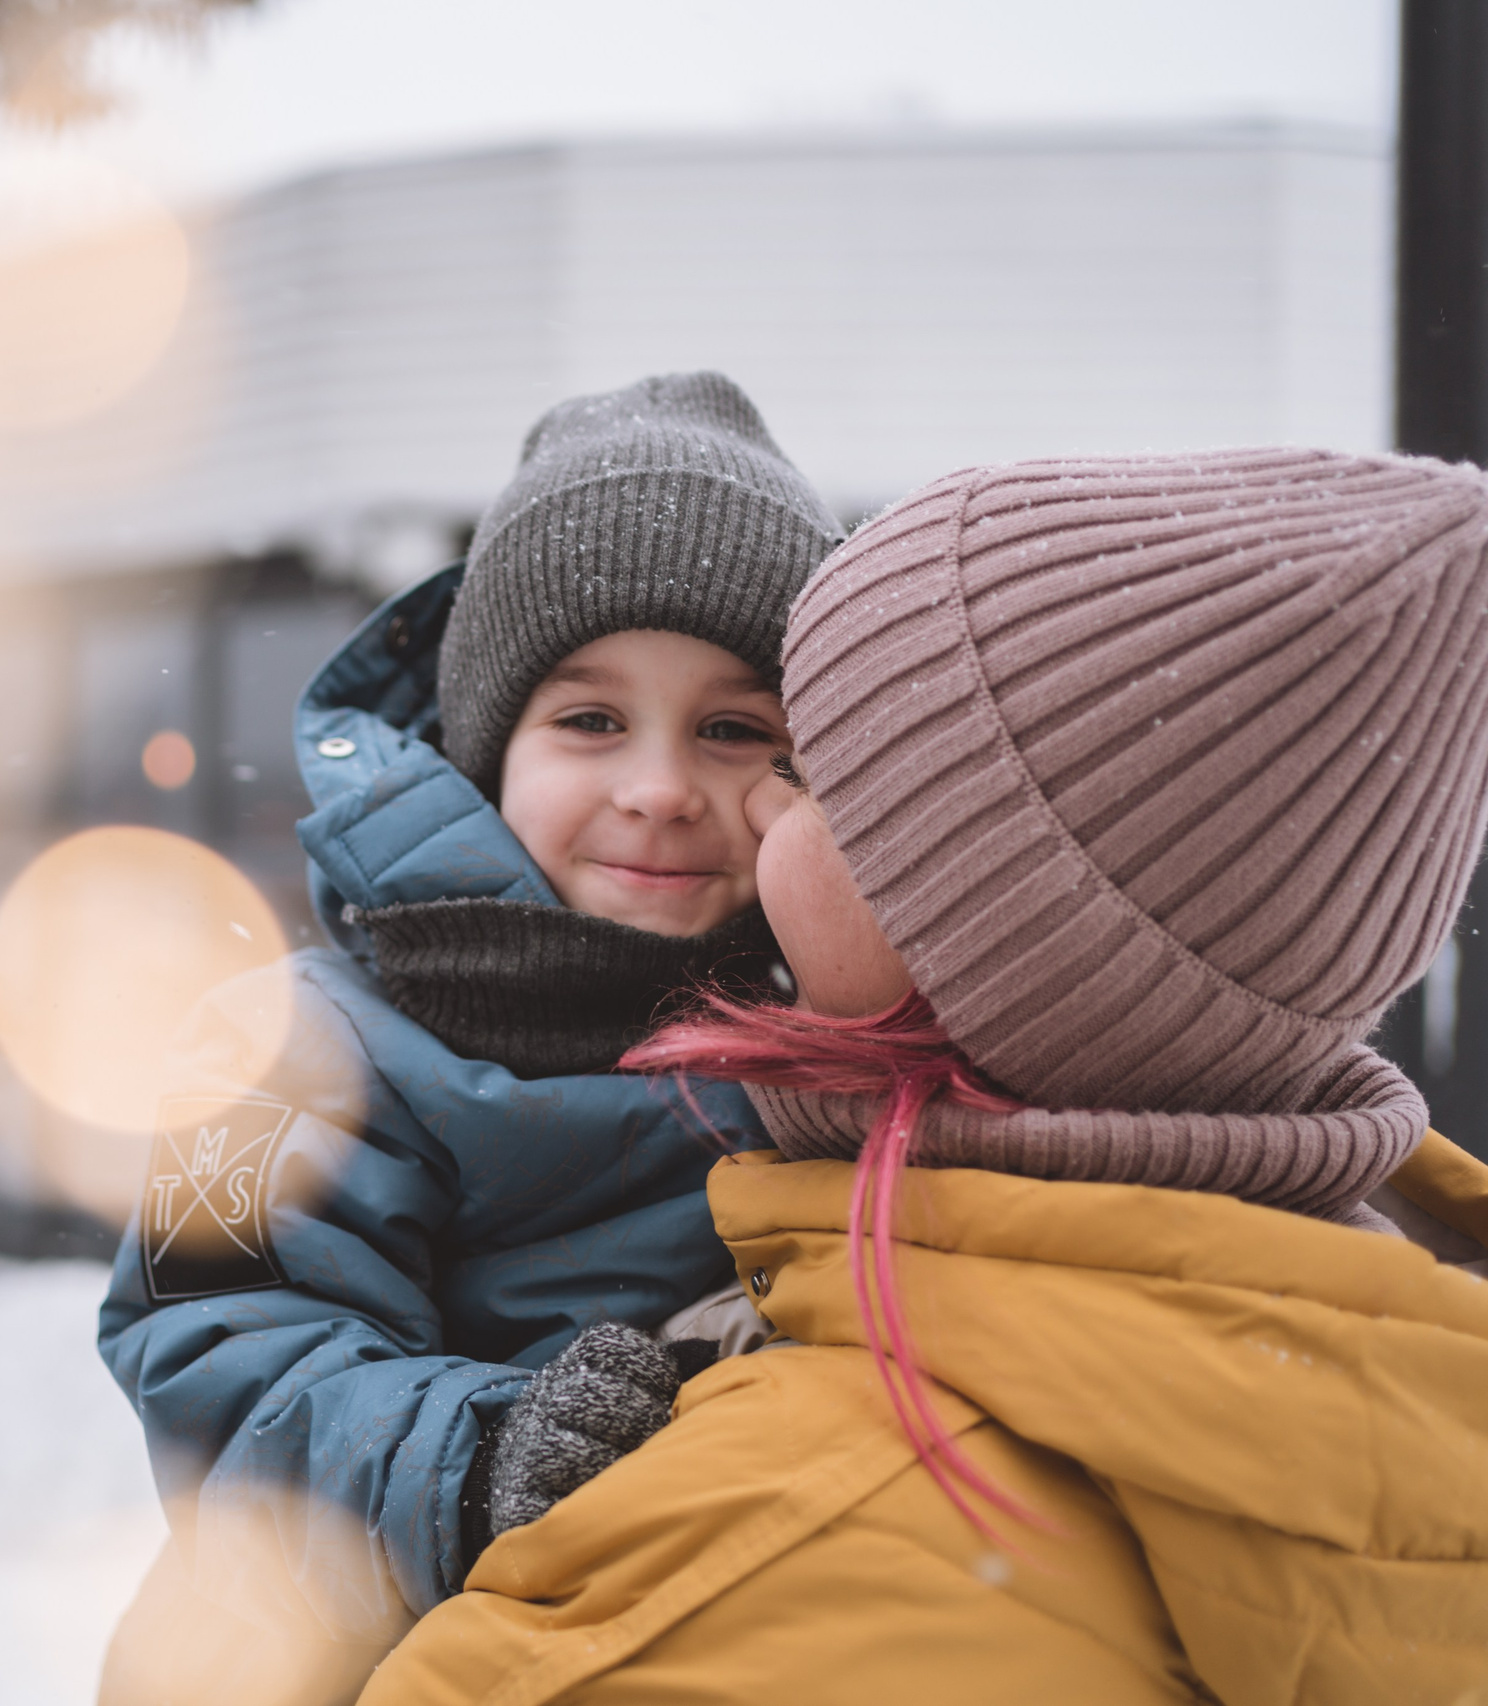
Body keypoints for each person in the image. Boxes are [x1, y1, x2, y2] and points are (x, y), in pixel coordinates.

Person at [360, 447, 1488, 1706]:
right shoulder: (1391, 1335)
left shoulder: (741, 1574)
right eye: (590, 720)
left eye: (811, 771)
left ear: (989, 927)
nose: (737, 812)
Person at [94, 373, 843, 1704]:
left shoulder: (821, 1037)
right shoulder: (305, 1044)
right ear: (484, 747)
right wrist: (474, 1451)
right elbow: (225, 1350)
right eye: (591, 719)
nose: (662, 788)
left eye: (734, 728)